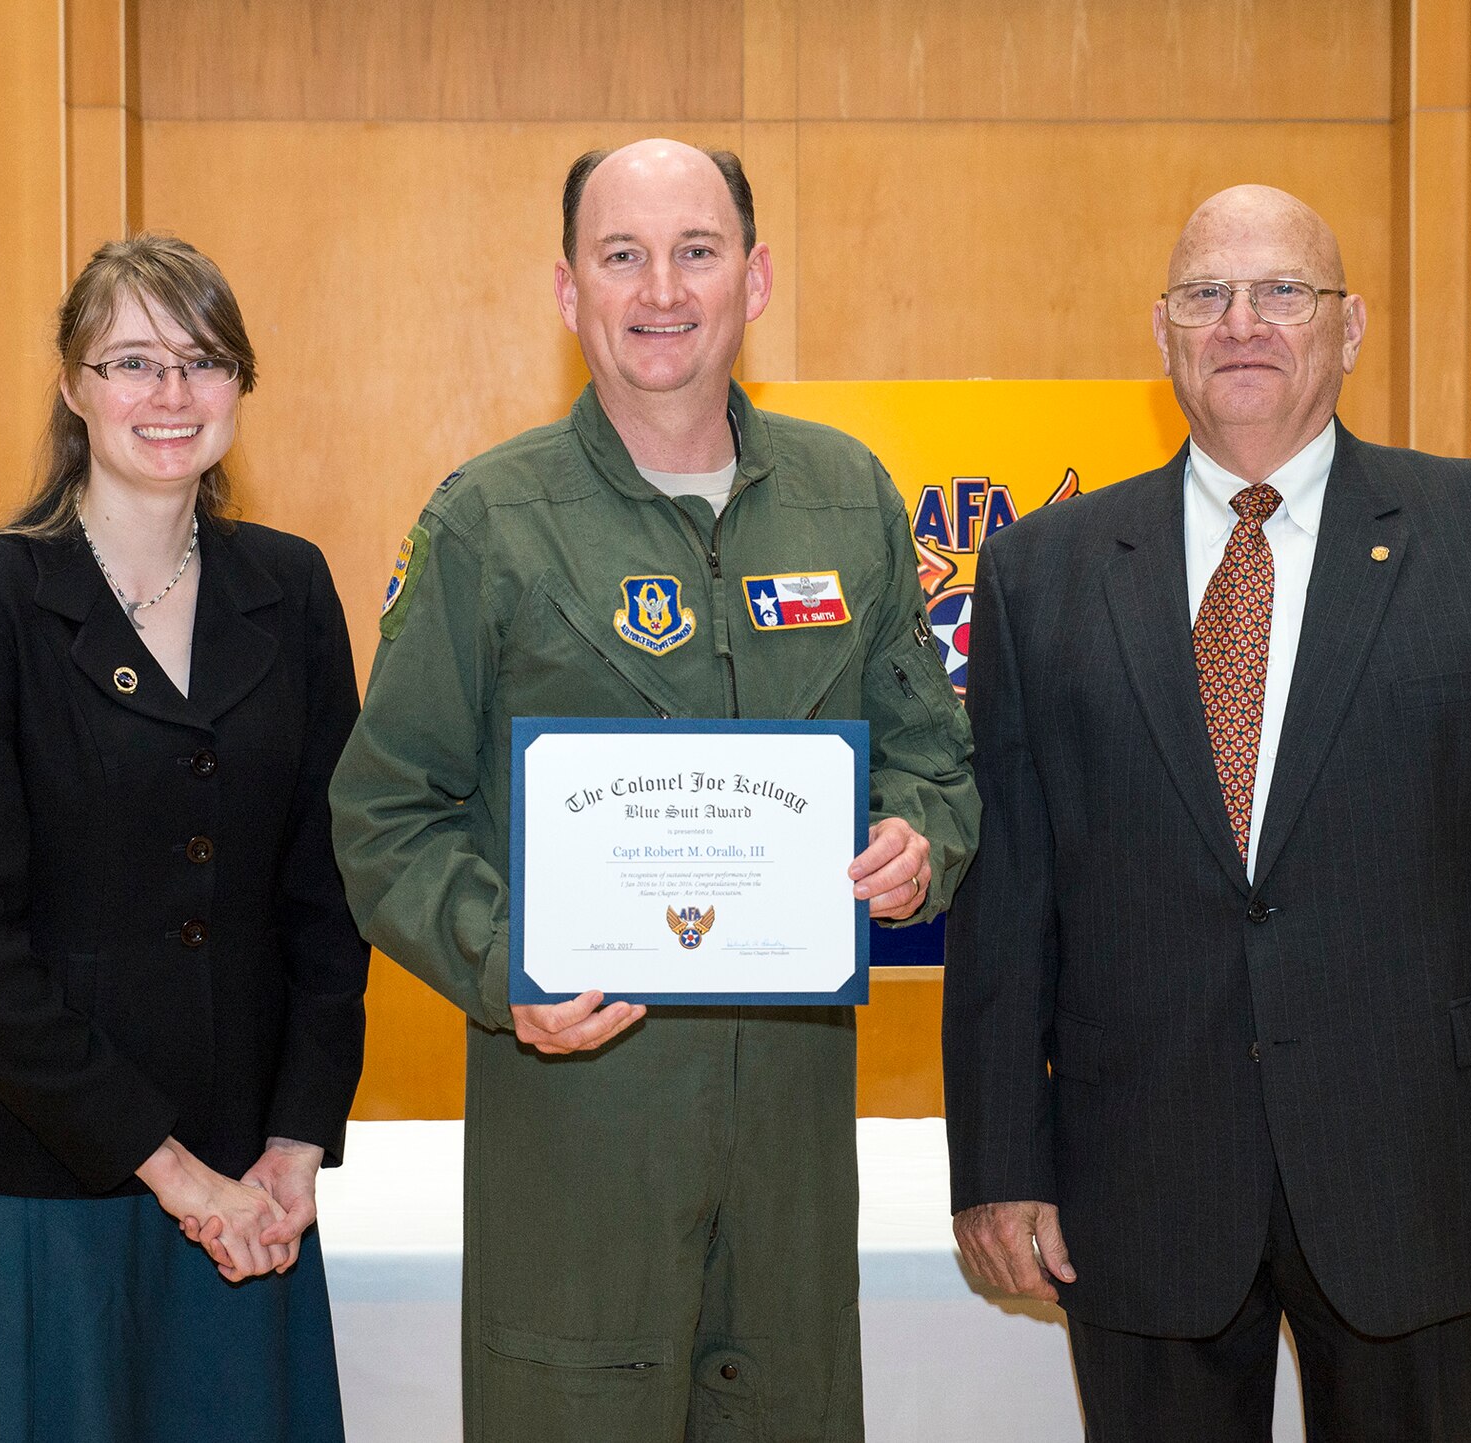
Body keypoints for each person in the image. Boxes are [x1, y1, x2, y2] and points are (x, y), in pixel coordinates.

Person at [941, 185, 1471, 1442]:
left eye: (1281, 291)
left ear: (1349, 326)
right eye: (1205, 296)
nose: (1241, 323)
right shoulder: (1040, 570)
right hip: (1140, 1182)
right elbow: (1007, 897)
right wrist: (997, 1165)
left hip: (1431, 1182)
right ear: (1161, 333)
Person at [329, 139, 978, 1441]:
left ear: (757, 276)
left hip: (791, 1134)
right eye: (620, 255)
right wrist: (504, 959)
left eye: (697, 250)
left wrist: (921, 840)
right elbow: (385, 811)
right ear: (569, 293)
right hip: (577, 1128)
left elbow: (932, 752)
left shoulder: (848, 498)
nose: (661, 288)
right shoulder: (489, 521)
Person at [0, 233, 369, 1443]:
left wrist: (295, 1143)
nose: (170, 397)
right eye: (133, 362)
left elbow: (330, 890)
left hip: (251, 1185)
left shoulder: (290, 587)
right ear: (71, 386)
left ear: (240, 387)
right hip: (36, 1179)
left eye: (203, 363)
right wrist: (173, 1172)